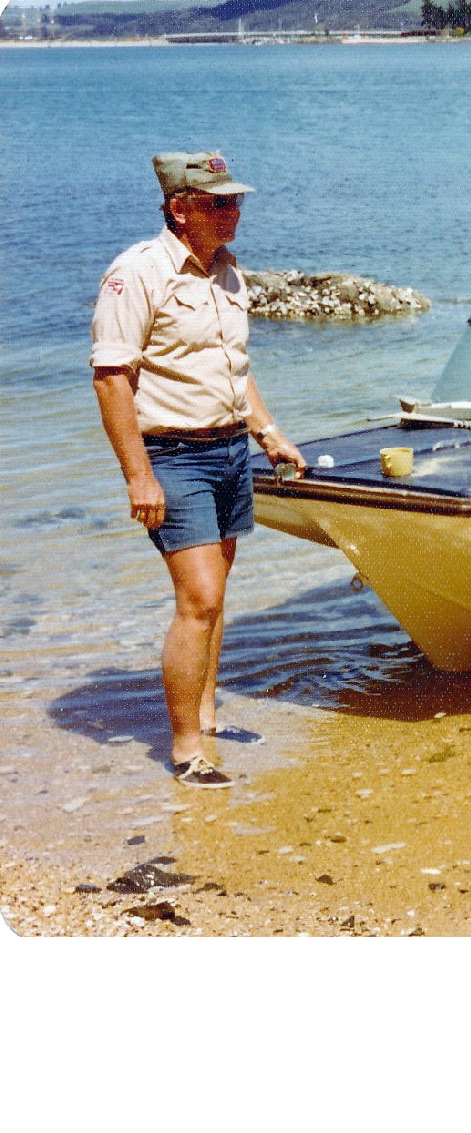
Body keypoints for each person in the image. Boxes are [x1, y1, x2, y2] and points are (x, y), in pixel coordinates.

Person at [91, 152, 306, 788]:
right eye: (219, 202)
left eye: (236, 200)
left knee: (216, 597)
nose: (233, 211)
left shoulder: (228, 272)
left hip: (231, 447)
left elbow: (234, 369)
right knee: (199, 598)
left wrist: (269, 434)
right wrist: (139, 475)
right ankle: (185, 751)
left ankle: (207, 719)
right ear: (180, 208)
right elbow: (111, 380)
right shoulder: (137, 273)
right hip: (173, 455)